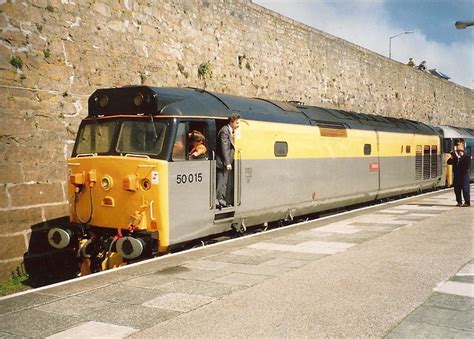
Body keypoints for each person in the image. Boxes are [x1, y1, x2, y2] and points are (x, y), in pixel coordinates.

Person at [216, 113, 241, 208]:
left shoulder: (229, 131)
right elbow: (224, 148)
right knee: (222, 182)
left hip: (226, 162)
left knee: (224, 182)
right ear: (231, 122)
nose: (238, 125)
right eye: (237, 123)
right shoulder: (224, 131)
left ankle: (222, 200)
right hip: (222, 162)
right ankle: (219, 201)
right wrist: (227, 162)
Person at [447, 142, 471, 207]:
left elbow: (466, 166)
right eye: (458, 151)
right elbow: (448, 162)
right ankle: (459, 202)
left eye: (460, 151)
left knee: (465, 189)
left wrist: (459, 158)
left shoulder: (466, 157)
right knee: (457, 190)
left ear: (463, 151)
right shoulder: (455, 158)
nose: (459, 152)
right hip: (457, 176)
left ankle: (467, 202)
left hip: (464, 176)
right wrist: (452, 157)